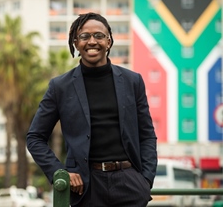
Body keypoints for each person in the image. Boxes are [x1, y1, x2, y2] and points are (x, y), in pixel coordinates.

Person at [26, 12, 157, 207]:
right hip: (86, 187)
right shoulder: (60, 87)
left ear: (109, 41)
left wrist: (145, 180)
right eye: (84, 36)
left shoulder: (132, 81)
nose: (92, 41)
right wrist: (59, 172)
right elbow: (35, 137)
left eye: (99, 35)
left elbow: (146, 135)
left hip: (129, 183)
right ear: (76, 43)